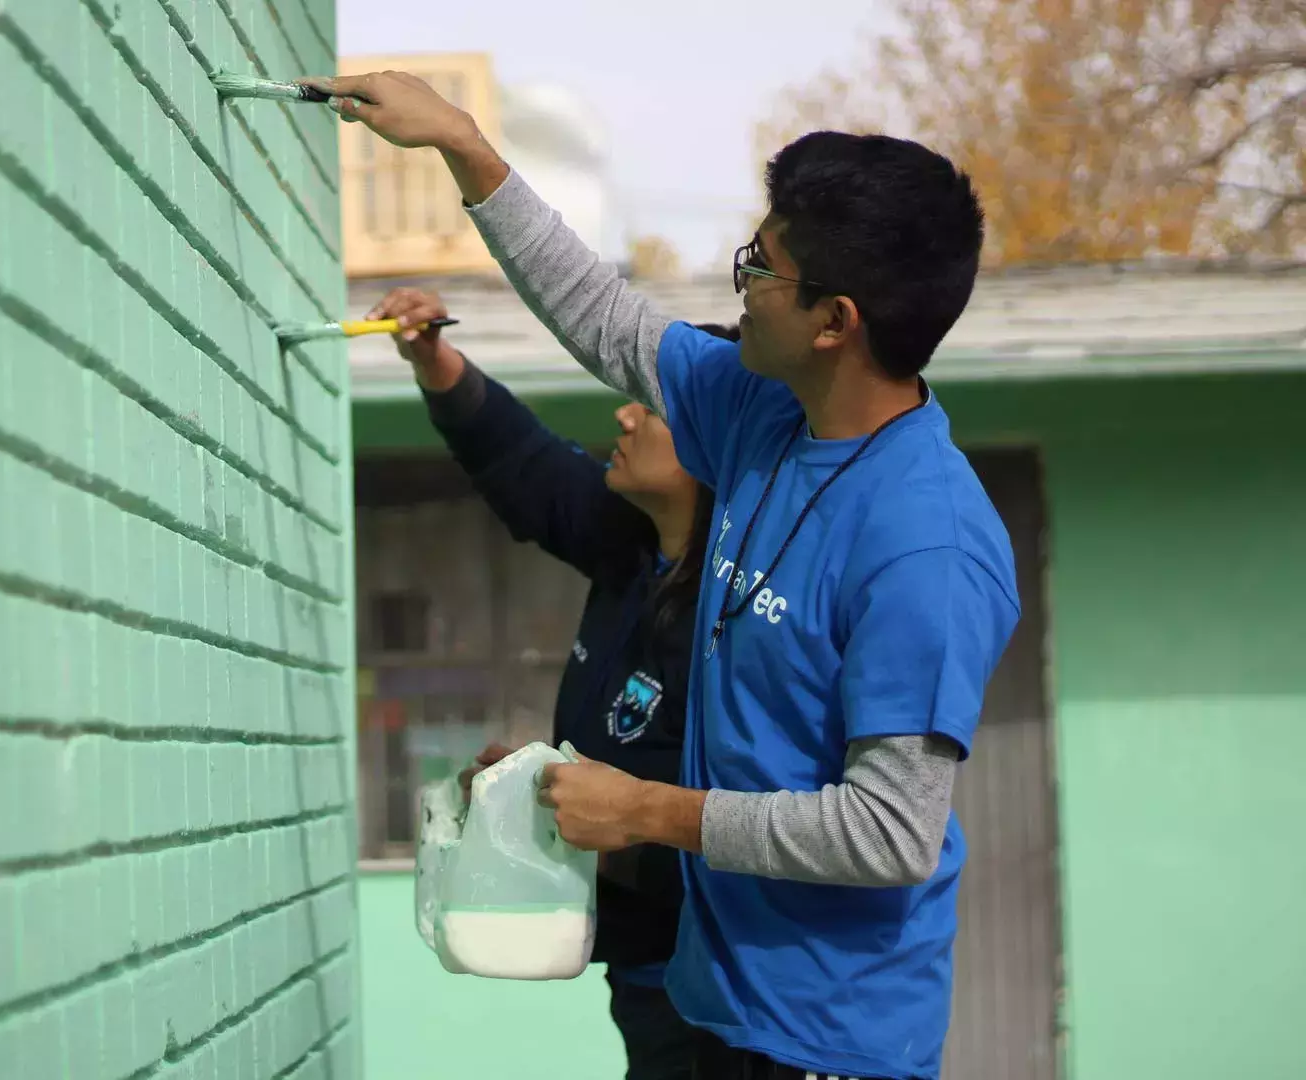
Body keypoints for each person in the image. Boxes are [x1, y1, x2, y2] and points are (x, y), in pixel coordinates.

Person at [314, 71, 1019, 1080]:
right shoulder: (765, 414)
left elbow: (889, 831)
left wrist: (644, 811)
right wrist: (465, 148)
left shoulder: (927, 544)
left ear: (836, 322)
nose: (739, 285)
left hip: (824, 1045)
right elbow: (604, 318)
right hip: (705, 1003)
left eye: (760, 268)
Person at [378, 283, 732, 1078]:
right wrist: (433, 357)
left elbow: (752, 832)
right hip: (645, 975)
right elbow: (524, 464)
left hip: (717, 994)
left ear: (715, 443)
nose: (624, 417)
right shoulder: (632, 546)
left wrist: (600, 826)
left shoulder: (739, 624)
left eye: (651, 407)